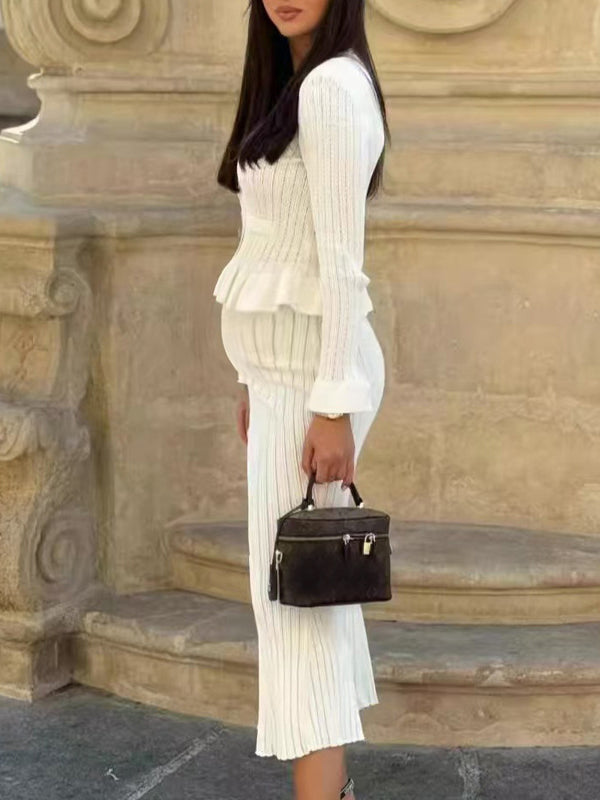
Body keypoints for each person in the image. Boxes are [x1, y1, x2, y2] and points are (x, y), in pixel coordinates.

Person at [214, 2, 390, 798]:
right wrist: (253, 378)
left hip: (312, 383)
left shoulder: (330, 90)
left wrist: (331, 406)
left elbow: (342, 264)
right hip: (283, 379)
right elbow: (271, 248)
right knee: (305, 600)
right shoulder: (292, 84)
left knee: (297, 610)